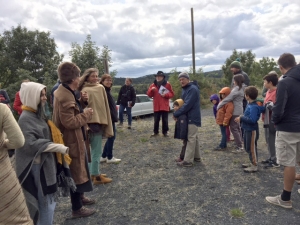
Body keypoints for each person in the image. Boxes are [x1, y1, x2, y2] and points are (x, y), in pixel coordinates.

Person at [15, 82, 71, 224]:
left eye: (45, 94)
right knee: (46, 205)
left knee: (49, 205)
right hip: (38, 168)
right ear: (31, 96)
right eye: (41, 95)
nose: (45, 98)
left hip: (45, 165)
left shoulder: (37, 115)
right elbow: (29, 145)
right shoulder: (26, 118)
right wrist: (57, 147)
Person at [53, 62, 96, 218]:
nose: (80, 78)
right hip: (71, 141)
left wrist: (82, 101)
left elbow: (74, 109)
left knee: (81, 168)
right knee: (76, 173)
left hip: (77, 138)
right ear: (72, 78)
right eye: (78, 75)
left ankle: (81, 198)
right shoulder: (64, 96)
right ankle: (76, 209)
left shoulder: (68, 91)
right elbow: (69, 122)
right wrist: (86, 114)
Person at [266, 53, 300, 209]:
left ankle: (285, 198)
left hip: (288, 127)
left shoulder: (285, 82)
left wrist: (275, 121)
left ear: (281, 67)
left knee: (288, 162)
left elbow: (279, 108)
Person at [78, 68, 114, 183]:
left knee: (94, 150)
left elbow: (103, 106)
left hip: (97, 122)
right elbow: (83, 105)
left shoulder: (99, 88)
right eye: (93, 76)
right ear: (87, 77)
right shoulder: (84, 89)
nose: (95, 78)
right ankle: (95, 175)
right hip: (91, 123)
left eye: (97, 76)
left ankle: (93, 171)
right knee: (95, 151)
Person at [0, 103, 33, 225]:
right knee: (18, 220)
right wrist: (4, 143)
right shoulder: (2, 109)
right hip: (4, 179)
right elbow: (18, 141)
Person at [173, 72, 201, 167]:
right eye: (180, 80)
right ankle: (197, 157)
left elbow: (187, 105)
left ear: (188, 79)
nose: (181, 81)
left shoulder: (192, 89)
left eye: (183, 79)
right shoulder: (186, 89)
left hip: (192, 117)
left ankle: (188, 161)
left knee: (190, 138)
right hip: (187, 117)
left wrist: (176, 113)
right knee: (194, 137)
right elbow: (182, 103)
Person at [235, 86, 264, 173]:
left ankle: (254, 165)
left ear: (247, 96)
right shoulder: (250, 104)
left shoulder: (254, 107)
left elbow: (253, 120)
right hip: (247, 129)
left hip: (252, 130)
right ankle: (252, 162)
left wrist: (241, 118)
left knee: (252, 148)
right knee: (247, 147)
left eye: (245, 94)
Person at [217, 74, 245, 153]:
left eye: (234, 80)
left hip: (235, 111)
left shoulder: (236, 90)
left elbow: (228, 98)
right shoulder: (242, 88)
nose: (233, 81)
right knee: (237, 127)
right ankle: (240, 142)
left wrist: (219, 105)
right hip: (239, 110)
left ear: (236, 81)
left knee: (234, 128)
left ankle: (239, 146)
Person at [99, 74, 121, 164]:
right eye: (106, 80)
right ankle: (110, 157)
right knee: (112, 136)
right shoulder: (103, 91)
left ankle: (103, 156)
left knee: (110, 137)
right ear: (102, 81)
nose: (109, 82)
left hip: (111, 117)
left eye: (110, 80)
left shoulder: (107, 90)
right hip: (109, 118)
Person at [147, 71, 175, 137]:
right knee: (156, 120)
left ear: (163, 77)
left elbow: (172, 93)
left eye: (159, 76)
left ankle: (165, 132)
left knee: (165, 120)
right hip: (156, 105)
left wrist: (166, 95)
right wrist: (151, 90)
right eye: (157, 76)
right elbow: (149, 95)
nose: (158, 77)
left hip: (164, 105)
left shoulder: (167, 84)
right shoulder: (152, 85)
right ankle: (155, 132)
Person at [261, 71, 280, 168]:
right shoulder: (268, 92)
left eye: (265, 82)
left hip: (272, 120)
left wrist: (271, 106)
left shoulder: (277, 92)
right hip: (266, 119)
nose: (264, 84)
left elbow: (277, 106)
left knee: (272, 139)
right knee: (268, 139)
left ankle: (275, 160)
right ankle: (271, 156)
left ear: (270, 83)